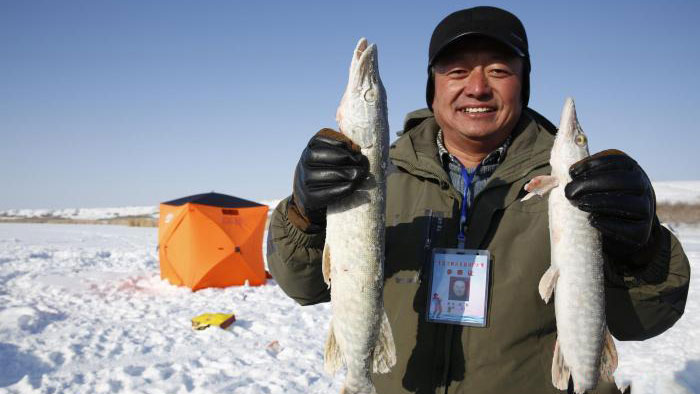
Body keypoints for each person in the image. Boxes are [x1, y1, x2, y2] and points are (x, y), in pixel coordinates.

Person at [267, 6, 690, 394]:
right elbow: (302, 286)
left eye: (498, 70)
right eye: (456, 71)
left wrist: (642, 248)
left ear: (524, 83)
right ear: (432, 85)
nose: (476, 88)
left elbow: (644, 319)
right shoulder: (376, 178)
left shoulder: (579, 189)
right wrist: (305, 215)